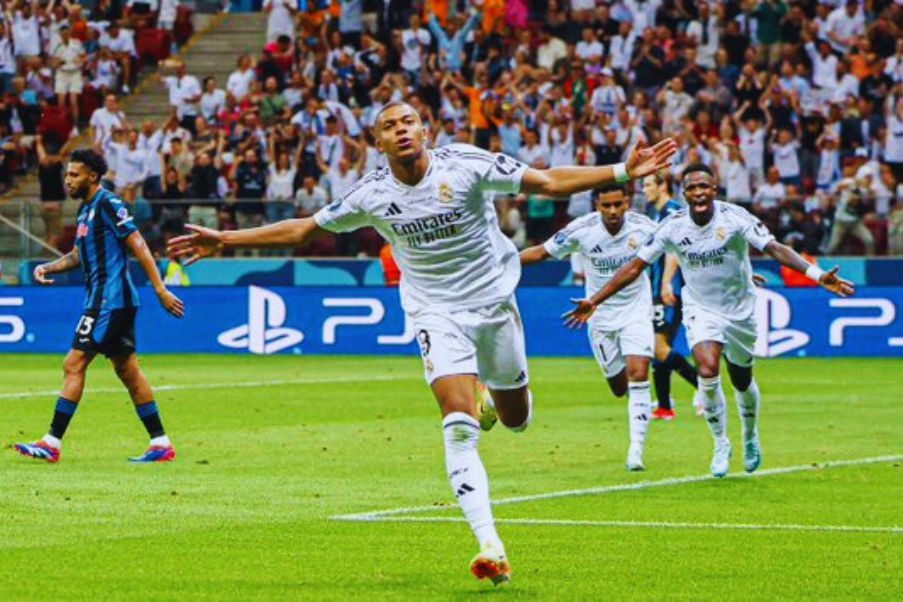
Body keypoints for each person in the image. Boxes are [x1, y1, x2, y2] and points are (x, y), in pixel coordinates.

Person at [168, 101, 677, 585]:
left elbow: (545, 181)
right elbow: (305, 227)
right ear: (378, 142)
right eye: (391, 126)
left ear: (425, 131)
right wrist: (227, 241)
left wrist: (621, 172)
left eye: (410, 121)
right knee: (457, 427)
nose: (402, 129)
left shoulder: (465, 164)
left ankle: (493, 402)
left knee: (518, 419)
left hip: (495, 304)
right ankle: (490, 546)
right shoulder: (370, 193)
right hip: (435, 313)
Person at [563, 163, 854, 478]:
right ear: (684, 193)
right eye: (692, 187)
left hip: (739, 308)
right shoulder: (672, 226)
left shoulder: (735, 218)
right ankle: (720, 443)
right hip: (700, 308)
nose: (699, 192)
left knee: (741, 378)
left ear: (715, 190)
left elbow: (774, 248)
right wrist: (594, 300)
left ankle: (750, 434)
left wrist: (816, 275)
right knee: (707, 368)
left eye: (705, 186)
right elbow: (634, 267)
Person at [15, 149, 185, 464]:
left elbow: (138, 244)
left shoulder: (108, 204)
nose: (68, 180)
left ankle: (51, 442)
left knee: (74, 363)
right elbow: (78, 256)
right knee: (127, 370)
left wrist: (160, 288)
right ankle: (161, 443)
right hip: (104, 301)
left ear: (92, 176)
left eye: (74, 175)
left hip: (110, 302)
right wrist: (47, 267)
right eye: (67, 175)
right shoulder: (85, 212)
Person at [520, 185, 657, 471]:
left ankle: (636, 450)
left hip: (636, 312)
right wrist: (500, 263)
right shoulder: (582, 229)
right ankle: (638, 404)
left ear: (627, 203)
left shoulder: (645, 227)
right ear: (597, 205)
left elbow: (681, 246)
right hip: (599, 318)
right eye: (606, 205)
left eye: (618, 204)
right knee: (620, 388)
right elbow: (542, 252)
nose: (613, 211)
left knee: (639, 373)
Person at [641, 172, 697, 420]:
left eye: (648, 184)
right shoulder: (656, 214)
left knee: (659, 348)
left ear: (663, 186)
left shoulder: (673, 211)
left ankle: (706, 390)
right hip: (656, 289)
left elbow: (676, 249)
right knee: (658, 349)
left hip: (669, 289)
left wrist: (665, 284)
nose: (644, 190)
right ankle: (664, 406)